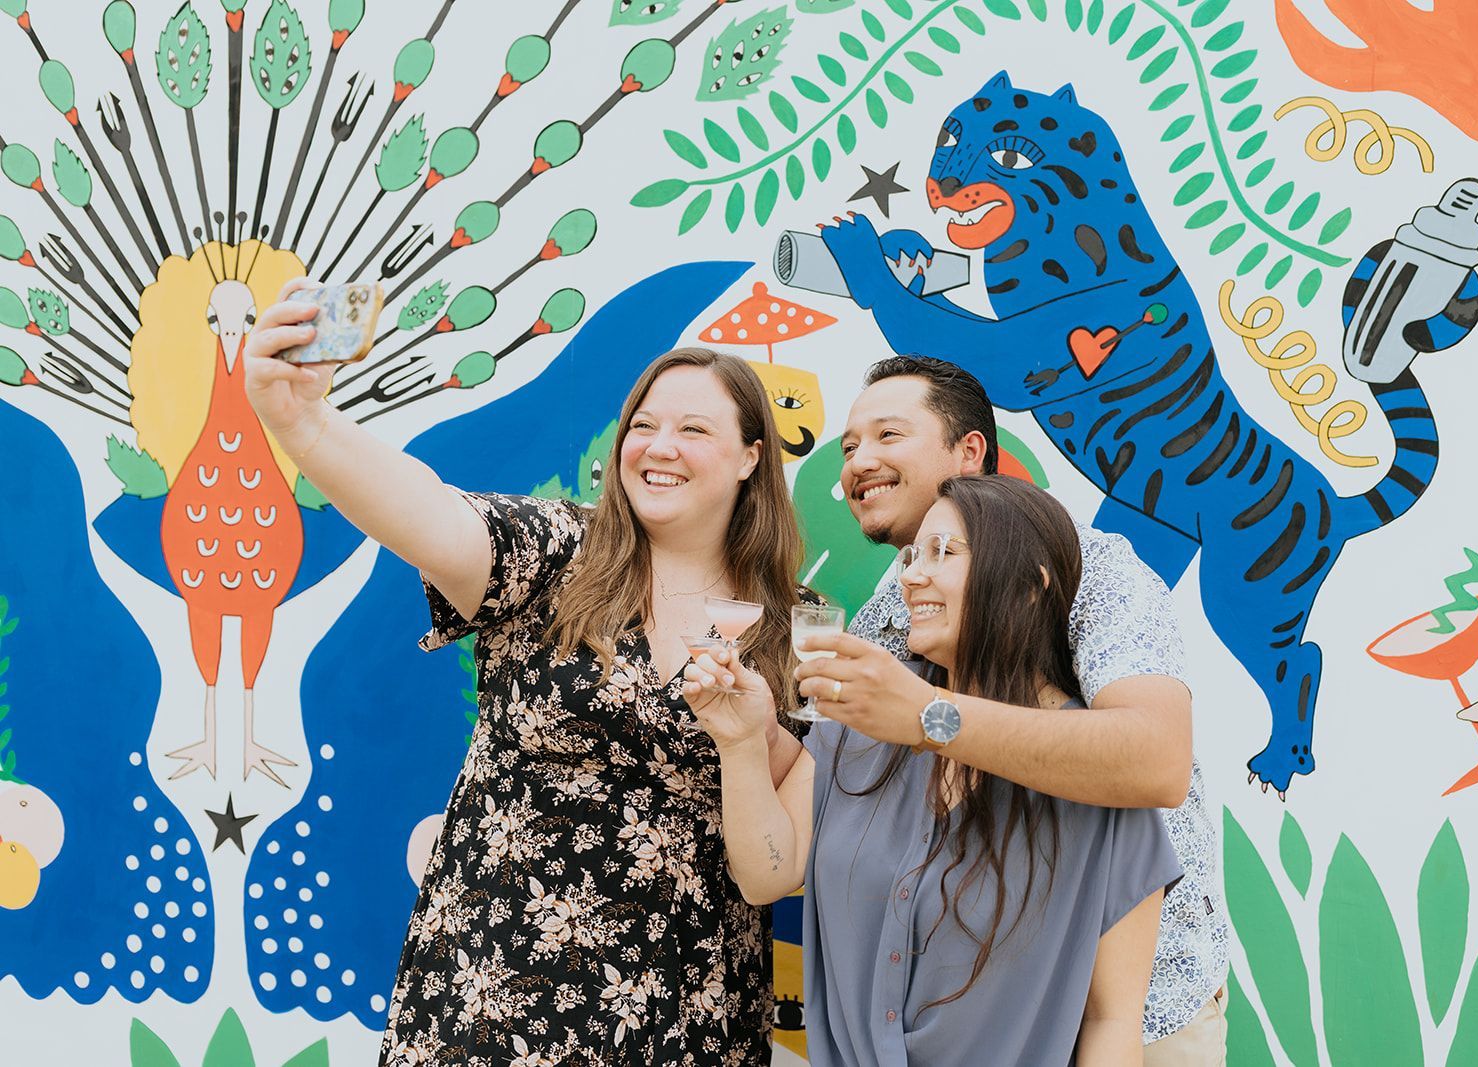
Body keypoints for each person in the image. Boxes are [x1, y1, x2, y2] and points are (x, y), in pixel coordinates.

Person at [244, 282, 807, 1065]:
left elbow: (772, 871)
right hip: (490, 997)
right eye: (641, 424)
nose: (657, 444)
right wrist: (301, 422)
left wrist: (749, 743)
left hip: (682, 1019)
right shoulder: (557, 553)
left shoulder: (793, 630)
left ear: (753, 454)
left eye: (693, 427)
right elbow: (427, 511)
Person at [765, 356, 1231, 1062]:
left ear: (970, 451)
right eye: (851, 444)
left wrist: (928, 715)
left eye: (889, 435)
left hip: (1139, 1011)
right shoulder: (882, 622)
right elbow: (812, 809)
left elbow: (1156, 758)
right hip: (962, 1024)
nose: (860, 460)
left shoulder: (1088, 566)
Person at [687, 475, 1182, 1065]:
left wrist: (929, 718)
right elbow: (766, 876)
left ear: (1030, 585)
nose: (911, 575)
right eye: (911, 555)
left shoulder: (1095, 775)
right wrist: (742, 741)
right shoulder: (858, 723)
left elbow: (1111, 1023)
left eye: (943, 553)